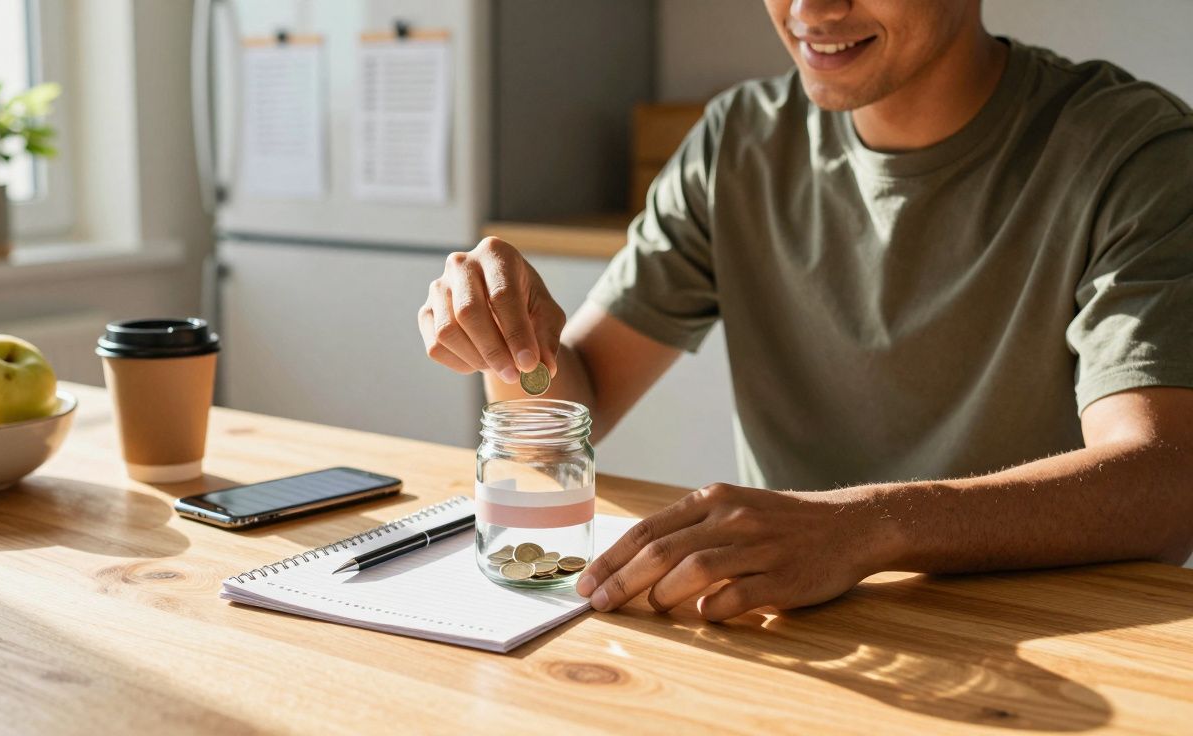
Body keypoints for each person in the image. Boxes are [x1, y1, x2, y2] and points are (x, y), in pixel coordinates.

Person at [416, 0, 1193, 621]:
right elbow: (571, 406)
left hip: (1059, 643)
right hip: (793, 639)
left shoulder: (1134, 153)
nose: (809, 8)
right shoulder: (738, 141)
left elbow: (1166, 480)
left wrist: (863, 527)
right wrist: (507, 338)